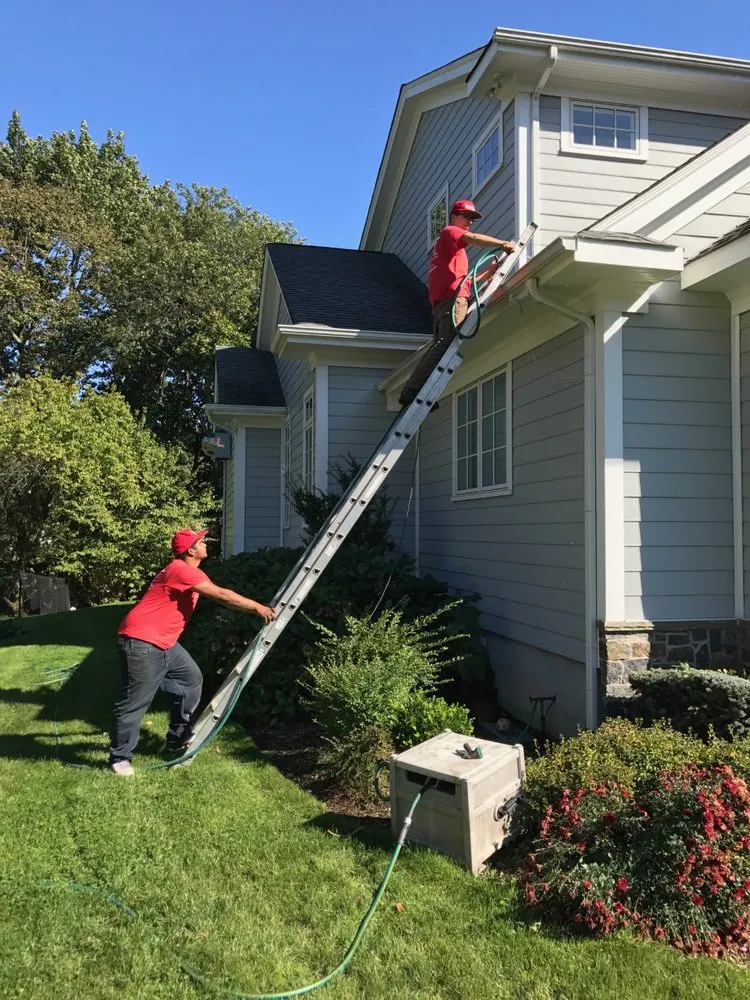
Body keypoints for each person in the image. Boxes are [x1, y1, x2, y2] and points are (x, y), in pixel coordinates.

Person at [108, 528, 276, 776]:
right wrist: (256, 607)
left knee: (189, 679)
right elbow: (222, 595)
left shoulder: (189, 571)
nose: (206, 544)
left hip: (164, 642)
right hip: (142, 640)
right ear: (190, 550)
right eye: (201, 541)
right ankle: (120, 758)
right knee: (135, 701)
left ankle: (177, 738)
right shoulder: (180, 570)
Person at [399, 199, 516, 408]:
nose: (470, 222)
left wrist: (488, 273)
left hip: (444, 301)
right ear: (454, 216)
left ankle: (421, 392)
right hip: (452, 301)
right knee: (446, 344)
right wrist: (503, 244)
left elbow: (464, 281)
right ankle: (413, 390)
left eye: (473, 219)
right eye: (467, 216)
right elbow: (473, 238)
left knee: (439, 346)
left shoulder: (453, 251)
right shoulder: (449, 232)